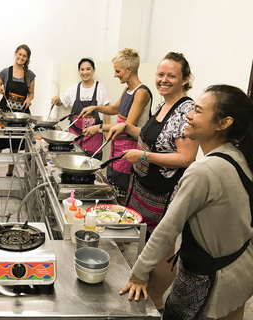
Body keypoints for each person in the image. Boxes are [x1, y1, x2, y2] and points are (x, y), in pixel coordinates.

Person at [120, 84, 253, 320]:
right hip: (240, 271)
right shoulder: (238, 156)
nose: (188, 115)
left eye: (198, 111)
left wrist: (138, 274)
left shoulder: (204, 171)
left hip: (212, 280)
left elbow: (168, 228)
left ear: (224, 123)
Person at [108, 52, 199, 311]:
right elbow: (149, 135)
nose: (164, 80)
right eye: (161, 74)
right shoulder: (163, 104)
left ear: (185, 79)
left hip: (164, 194)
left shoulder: (186, 110)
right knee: (147, 243)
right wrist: (126, 128)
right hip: (143, 187)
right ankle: (143, 286)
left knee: (163, 249)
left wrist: (144, 155)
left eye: (171, 75)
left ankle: (157, 301)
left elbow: (186, 157)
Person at [78, 49, 152, 204]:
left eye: (118, 71)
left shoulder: (141, 92)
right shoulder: (128, 89)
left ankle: (123, 222)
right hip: (117, 146)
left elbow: (127, 126)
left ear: (129, 70)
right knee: (115, 187)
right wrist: (95, 108)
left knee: (124, 192)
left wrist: (98, 128)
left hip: (131, 148)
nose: (115, 75)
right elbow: (114, 109)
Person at [0, 44, 35, 176]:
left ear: (27, 59)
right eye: (19, 54)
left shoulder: (30, 75)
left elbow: (32, 93)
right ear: (15, 54)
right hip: (3, 113)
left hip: (21, 115)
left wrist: (29, 99)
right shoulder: (5, 72)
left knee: (15, 146)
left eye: (24, 56)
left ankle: (10, 173)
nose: (21, 57)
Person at [51, 57, 110, 159]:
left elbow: (107, 110)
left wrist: (107, 130)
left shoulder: (101, 88)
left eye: (88, 69)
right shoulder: (74, 89)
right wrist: (57, 99)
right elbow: (62, 101)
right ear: (79, 71)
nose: (85, 72)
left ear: (93, 70)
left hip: (94, 137)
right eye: (82, 69)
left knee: (92, 165)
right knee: (72, 163)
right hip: (75, 135)